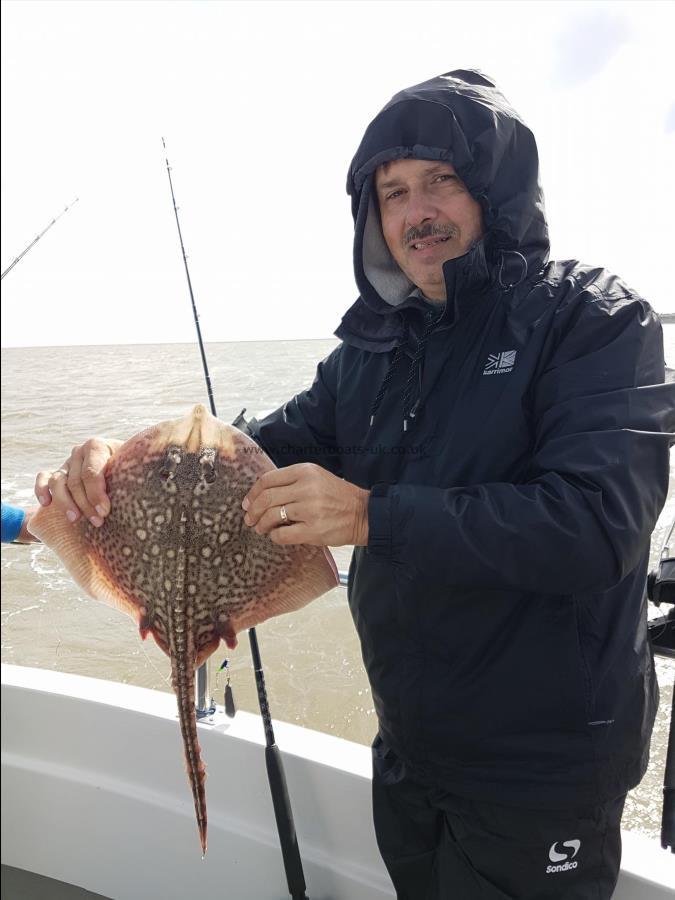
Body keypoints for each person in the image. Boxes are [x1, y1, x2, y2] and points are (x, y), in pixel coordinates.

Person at [35, 70, 674, 898]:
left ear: (494, 190)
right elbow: (241, 458)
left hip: (539, 767)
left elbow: (597, 526)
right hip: (409, 747)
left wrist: (376, 516)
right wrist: (111, 466)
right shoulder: (370, 354)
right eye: (393, 191)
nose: (417, 211)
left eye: (441, 180)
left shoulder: (593, 320)